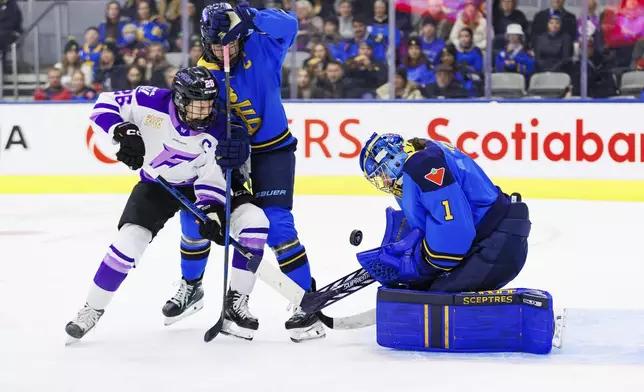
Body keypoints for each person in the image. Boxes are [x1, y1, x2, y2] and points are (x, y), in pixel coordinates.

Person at [64, 66, 268, 344]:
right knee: (128, 241)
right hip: (155, 184)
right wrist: (122, 131)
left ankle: (236, 303)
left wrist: (212, 211)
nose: (203, 113)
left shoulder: (220, 127)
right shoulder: (149, 101)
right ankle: (91, 309)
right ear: (180, 100)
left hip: (198, 185)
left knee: (254, 222)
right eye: (196, 106)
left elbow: (212, 176)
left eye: (208, 105)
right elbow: (104, 104)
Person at [194, 1, 326, 343]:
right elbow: (205, 121)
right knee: (233, 226)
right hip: (237, 160)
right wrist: (229, 134)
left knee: (279, 226)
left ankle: (305, 301)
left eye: (232, 42)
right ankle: (233, 300)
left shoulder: (260, 43)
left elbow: (290, 25)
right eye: (219, 44)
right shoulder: (203, 73)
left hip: (274, 151)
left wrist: (251, 16)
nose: (227, 50)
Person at [356, 132, 531, 292]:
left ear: (395, 158)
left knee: (433, 301)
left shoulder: (422, 166)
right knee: (418, 289)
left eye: (382, 172)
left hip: (498, 243)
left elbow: (455, 234)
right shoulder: (419, 162)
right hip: (493, 239)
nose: (384, 181)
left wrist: (420, 262)